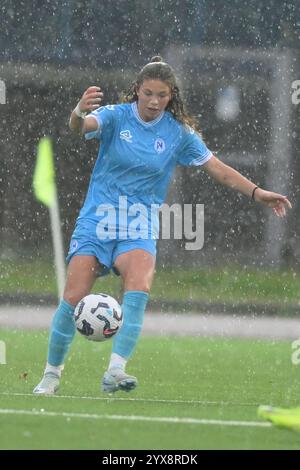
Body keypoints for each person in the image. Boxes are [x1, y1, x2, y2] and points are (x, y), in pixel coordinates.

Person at [33, 56, 292, 395]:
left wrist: (257, 193)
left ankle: (115, 371)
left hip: (139, 225)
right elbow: (79, 128)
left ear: (172, 96)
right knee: (73, 297)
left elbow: (218, 168)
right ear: (137, 92)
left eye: (162, 95)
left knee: (138, 289)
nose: (155, 102)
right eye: (148, 93)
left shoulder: (178, 133)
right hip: (98, 222)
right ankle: (51, 375)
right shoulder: (115, 116)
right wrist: (78, 112)